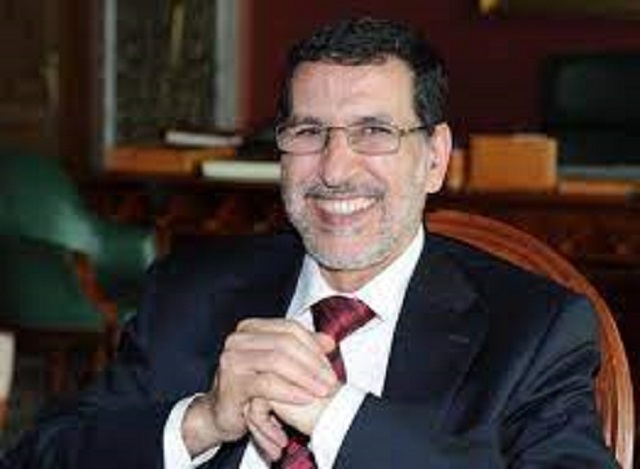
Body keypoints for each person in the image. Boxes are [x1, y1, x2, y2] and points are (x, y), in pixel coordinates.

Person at [4, 16, 617, 469]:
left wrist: (335, 417)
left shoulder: (533, 329)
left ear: (434, 158)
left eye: (373, 131)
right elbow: (41, 456)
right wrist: (200, 422)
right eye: (308, 132)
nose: (334, 168)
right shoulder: (189, 293)